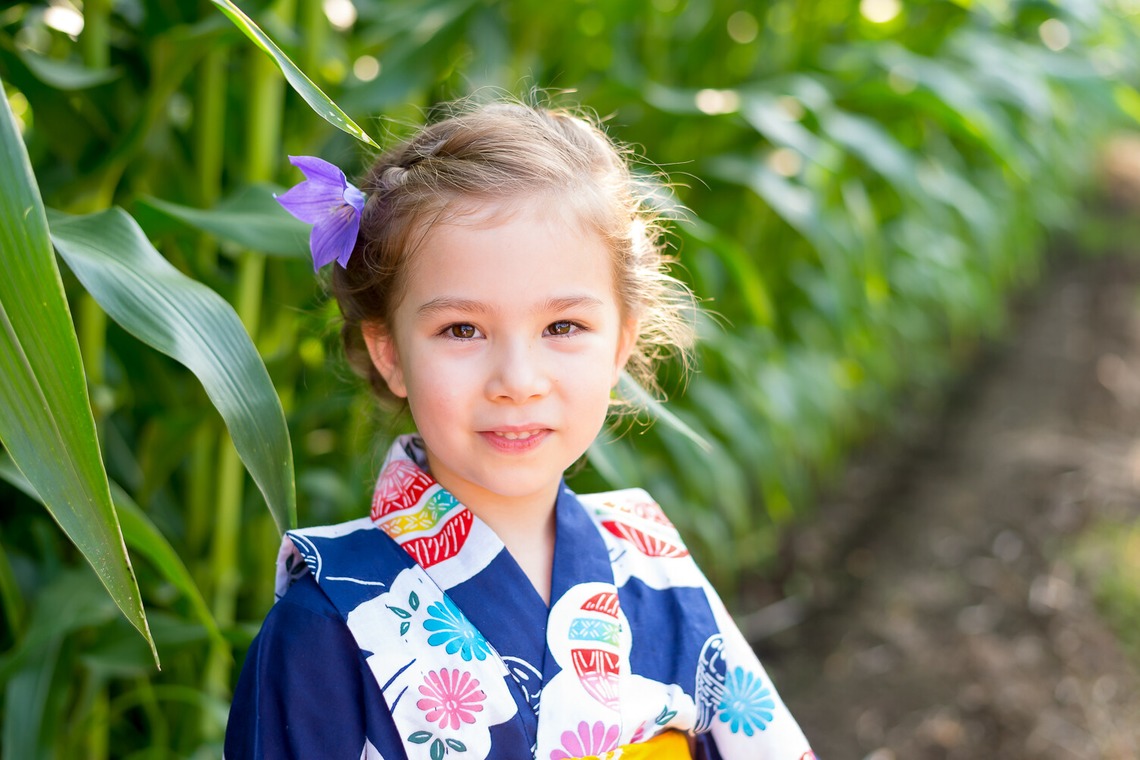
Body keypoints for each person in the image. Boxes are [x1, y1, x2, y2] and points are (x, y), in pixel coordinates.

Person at [224, 100, 815, 760]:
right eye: (461, 330)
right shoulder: (324, 625)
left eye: (562, 327)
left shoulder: (656, 569)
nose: (518, 379)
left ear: (621, 342)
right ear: (389, 351)